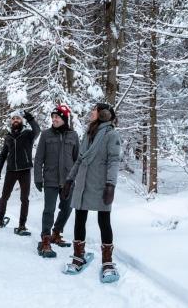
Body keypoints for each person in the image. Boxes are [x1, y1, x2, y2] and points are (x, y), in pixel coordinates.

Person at [61, 103, 122, 283]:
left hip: (101, 185)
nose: (91, 112)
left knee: (104, 221)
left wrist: (110, 185)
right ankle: (78, 256)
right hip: (83, 183)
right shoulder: (88, 134)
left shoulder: (112, 134)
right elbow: (80, 160)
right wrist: (69, 180)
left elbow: (114, 161)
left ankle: (108, 262)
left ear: (103, 114)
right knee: (80, 219)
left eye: (94, 110)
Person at [34, 104, 79, 258]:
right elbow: (39, 158)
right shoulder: (46, 135)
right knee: (49, 209)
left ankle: (56, 233)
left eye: (57, 117)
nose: (54, 119)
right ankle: (45, 239)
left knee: (67, 208)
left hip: (68, 181)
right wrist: (38, 178)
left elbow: (77, 159)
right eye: (53, 117)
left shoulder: (73, 135)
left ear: (64, 119)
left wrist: (76, 179)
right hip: (51, 179)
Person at [0, 109, 40, 235]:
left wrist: (30, 117)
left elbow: (37, 131)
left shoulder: (28, 134)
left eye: (17, 118)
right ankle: (0, 220)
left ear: (21, 121)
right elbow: (3, 155)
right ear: (11, 122)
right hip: (11, 170)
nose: (15, 120)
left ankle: (22, 225)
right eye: (13, 119)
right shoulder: (8, 136)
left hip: (25, 170)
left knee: (24, 199)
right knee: (4, 197)